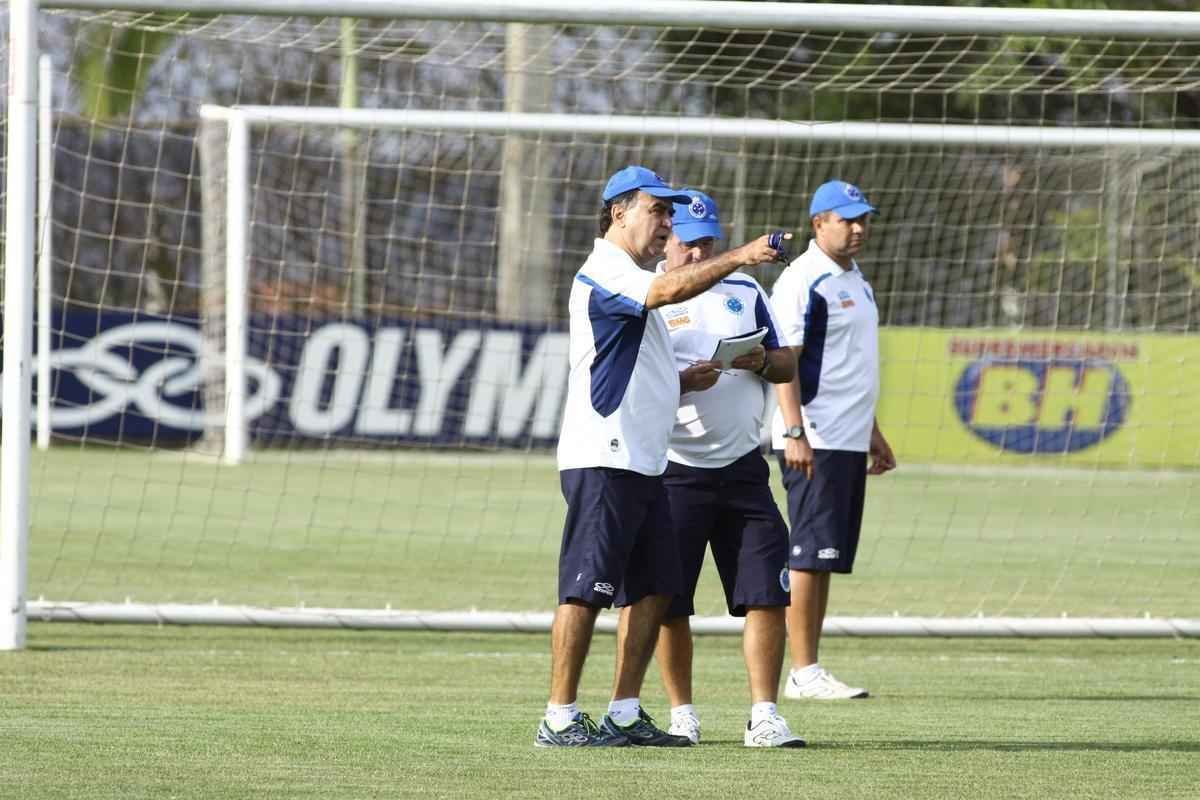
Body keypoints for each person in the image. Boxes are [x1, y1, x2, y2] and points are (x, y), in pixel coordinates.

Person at [536, 166, 790, 747]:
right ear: (619, 212)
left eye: (670, 214)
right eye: (658, 211)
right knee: (584, 590)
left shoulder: (632, 275)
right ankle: (559, 716)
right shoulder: (605, 271)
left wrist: (684, 382)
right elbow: (668, 291)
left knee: (655, 590)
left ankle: (625, 712)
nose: (667, 224)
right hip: (605, 456)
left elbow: (640, 370)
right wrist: (743, 255)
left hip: (647, 463)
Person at [650, 189, 805, 748]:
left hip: (743, 469)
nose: (699, 254)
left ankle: (765, 715)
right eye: (689, 244)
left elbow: (785, 363)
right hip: (674, 470)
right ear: (665, 241)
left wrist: (760, 360)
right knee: (668, 602)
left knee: (768, 593)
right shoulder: (648, 295)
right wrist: (682, 382)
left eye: (707, 243)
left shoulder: (745, 289)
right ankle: (681, 714)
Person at [770, 179, 897, 701]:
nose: (859, 228)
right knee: (806, 554)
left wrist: (872, 431)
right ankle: (802, 672)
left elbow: (852, 364)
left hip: (847, 436)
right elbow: (784, 362)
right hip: (815, 436)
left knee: (824, 557)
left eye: (864, 218)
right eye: (848, 219)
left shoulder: (856, 279)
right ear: (818, 222)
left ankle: (810, 666)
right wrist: (794, 431)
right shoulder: (803, 279)